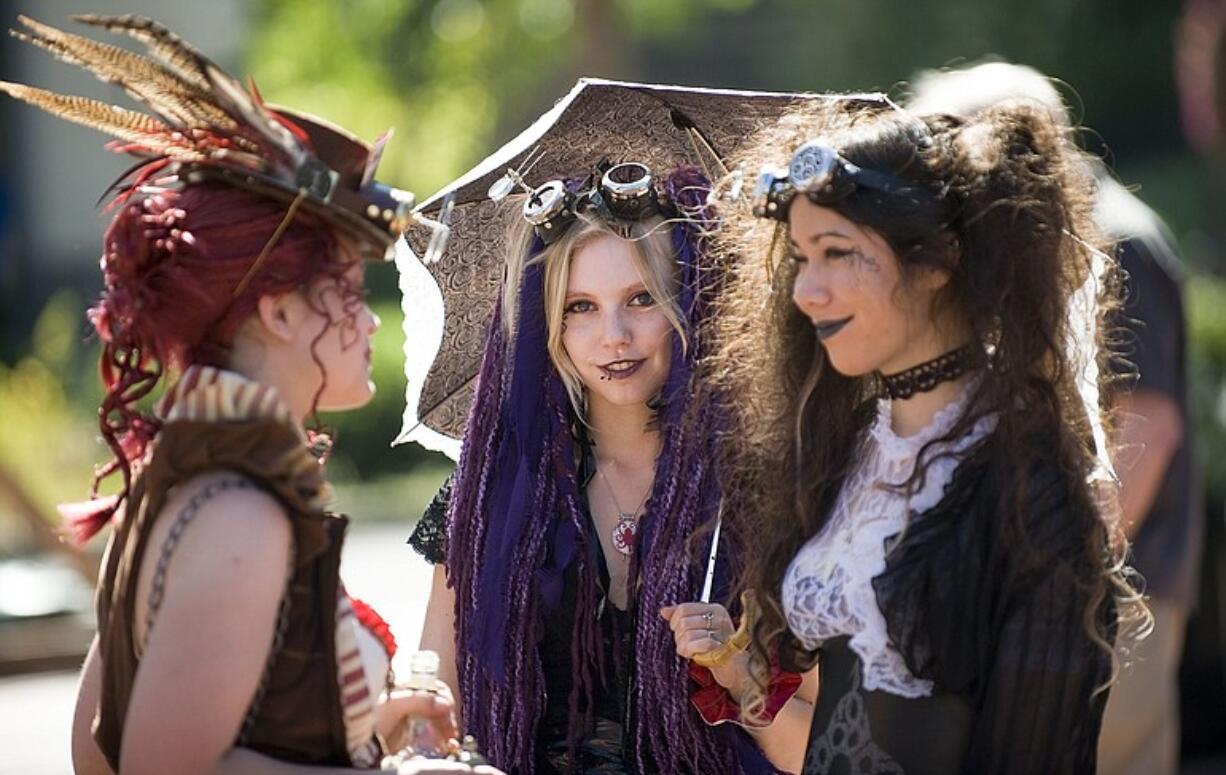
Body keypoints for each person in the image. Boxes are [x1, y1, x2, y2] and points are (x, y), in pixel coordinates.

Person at [0, 14, 497, 775]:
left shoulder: (192, 475)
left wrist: (369, 737)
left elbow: (104, 749)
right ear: (279, 309)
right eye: (345, 288)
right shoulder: (241, 512)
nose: (368, 319)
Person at [709, 95, 1148, 773]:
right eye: (801, 256)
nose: (805, 290)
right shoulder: (849, 452)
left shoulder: (1030, 488)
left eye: (837, 252)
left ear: (939, 258)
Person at [409, 163, 816, 773]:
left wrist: (741, 676)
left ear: (692, 305)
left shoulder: (761, 492)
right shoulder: (488, 493)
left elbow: (819, 751)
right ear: (549, 324)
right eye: (581, 306)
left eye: (642, 299)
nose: (614, 336)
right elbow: (432, 719)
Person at [907, 61, 1202, 775]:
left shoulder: (1113, 240)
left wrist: (1054, 581)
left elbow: (1147, 427)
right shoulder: (1058, 240)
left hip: (1111, 602)